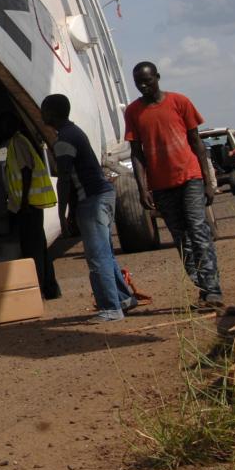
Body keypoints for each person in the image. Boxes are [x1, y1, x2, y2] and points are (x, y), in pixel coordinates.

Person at [125, 62, 223, 312]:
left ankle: (213, 290)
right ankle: (202, 287)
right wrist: (142, 188)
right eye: (138, 83)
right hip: (161, 186)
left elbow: (196, 142)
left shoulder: (180, 102)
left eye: (147, 81)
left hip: (190, 177)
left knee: (198, 231)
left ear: (157, 77)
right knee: (182, 239)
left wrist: (208, 181)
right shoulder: (134, 112)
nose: (143, 86)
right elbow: (136, 153)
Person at [40, 94, 138, 321]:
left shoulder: (64, 140)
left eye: (44, 110)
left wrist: (62, 214)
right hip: (102, 195)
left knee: (97, 257)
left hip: (93, 200)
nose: (42, 114)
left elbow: (65, 180)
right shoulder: (74, 132)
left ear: (52, 113)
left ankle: (110, 309)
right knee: (105, 254)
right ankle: (123, 299)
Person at [0, 115, 61, 300]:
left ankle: (38, 289)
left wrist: (23, 203)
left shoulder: (18, 143)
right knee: (40, 247)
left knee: (32, 250)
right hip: (31, 204)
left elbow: (26, 171)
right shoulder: (18, 142)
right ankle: (50, 288)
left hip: (29, 205)